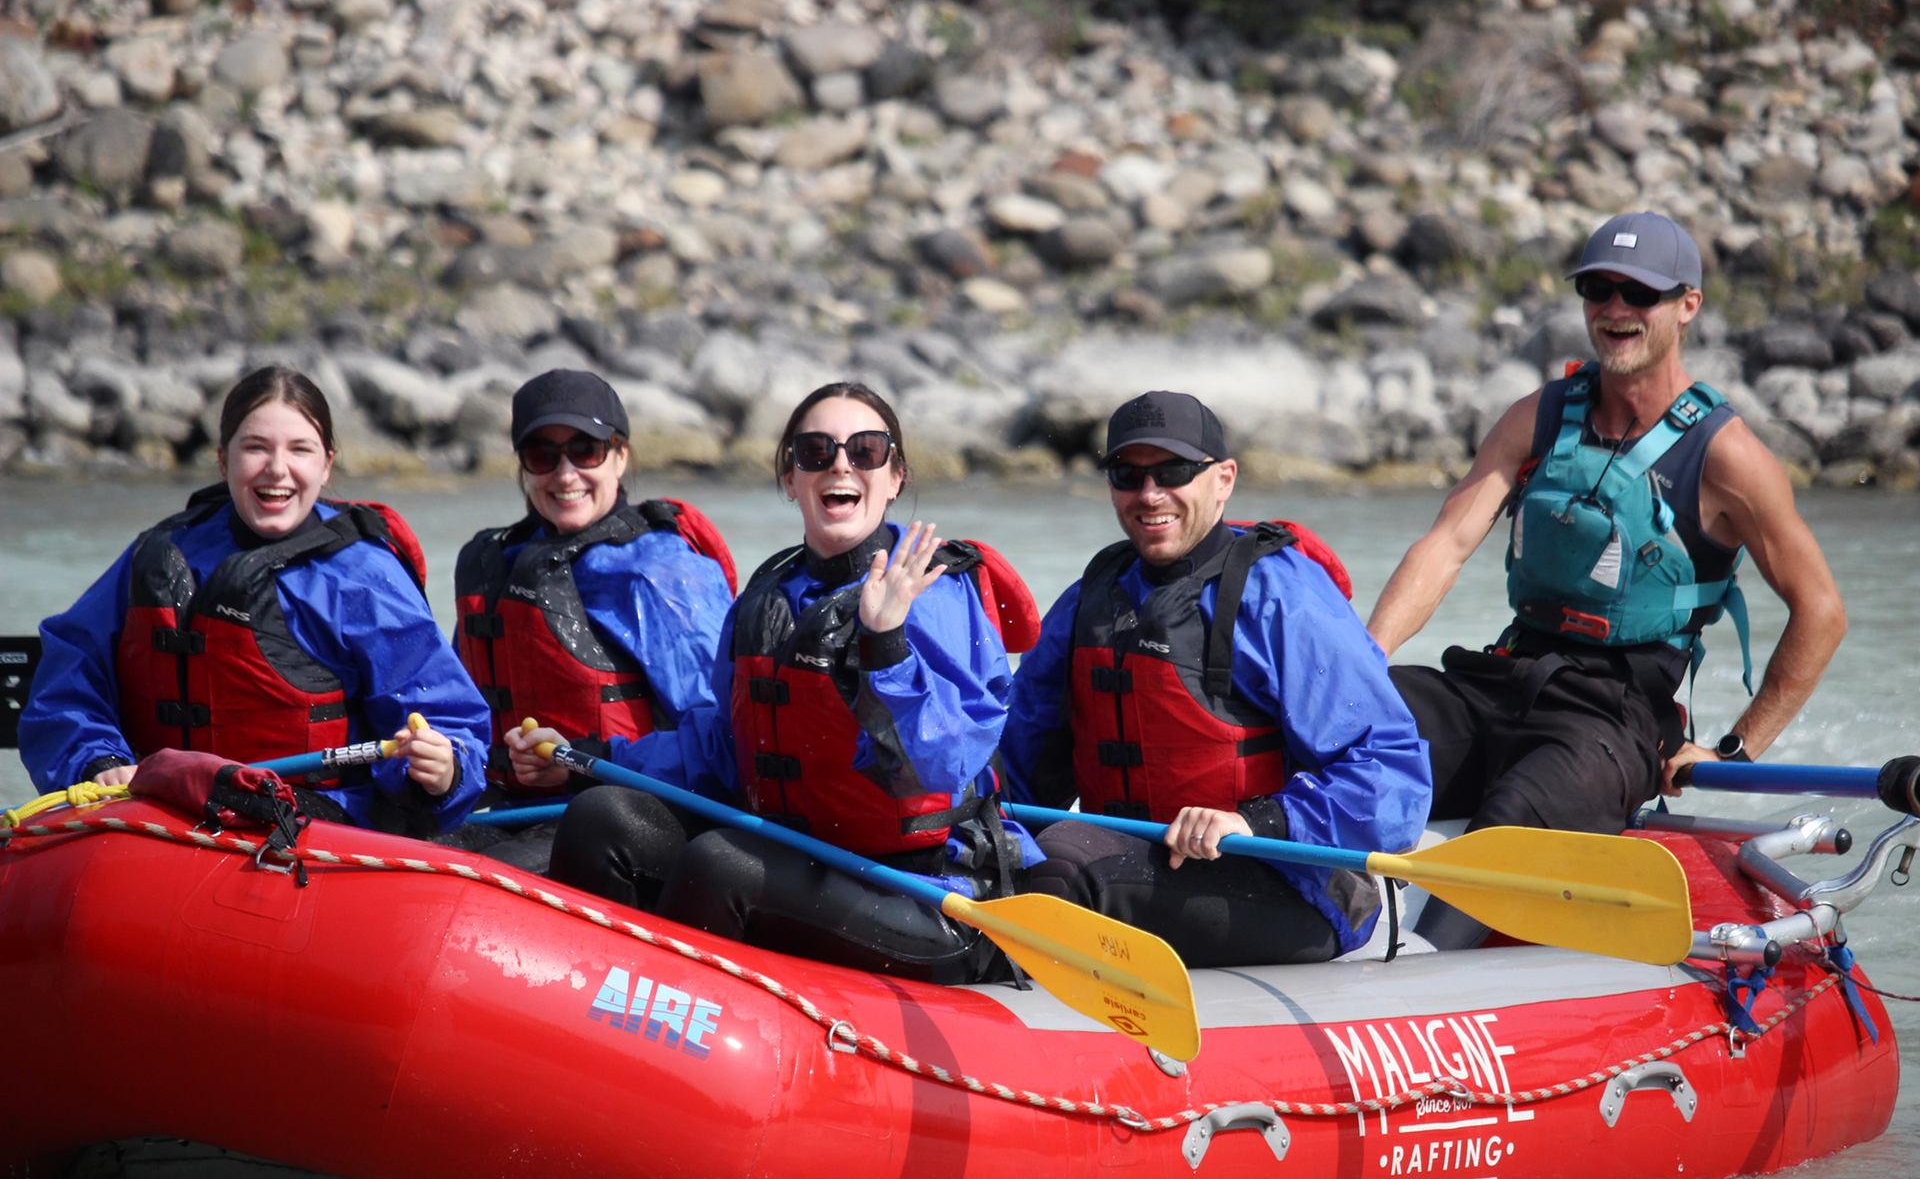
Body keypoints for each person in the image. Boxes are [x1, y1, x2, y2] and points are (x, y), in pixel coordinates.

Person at [1366, 211, 1848, 948]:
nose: (1616, 309)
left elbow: (1820, 612)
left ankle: (1413, 986)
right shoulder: (1540, 415)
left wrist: (1733, 751)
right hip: (1505, 674)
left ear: (1687, 304)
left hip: (1616, 718)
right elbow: (1447, 543)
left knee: (1514, 818)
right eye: (1599, 289)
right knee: (1353, 724)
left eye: (1639, 293)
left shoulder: (1727, 455)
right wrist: (1363, 661)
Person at [518, 381, 1039, 983]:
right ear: (791, 479)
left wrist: (885, 641)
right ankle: (583, 1006)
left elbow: (945, 762)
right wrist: (589, 758)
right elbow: (720, 748)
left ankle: (677, 1033)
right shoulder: (768, 599)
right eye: (815, 451)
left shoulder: (935, 593)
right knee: (603, 817)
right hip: (803, 863)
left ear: (895, 477)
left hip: (927, 894)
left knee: (721, 864)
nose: (840, 464)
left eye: (865, 450)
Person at [998, 391, 1431, 967]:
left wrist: (1253, 821)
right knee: (1009, 860)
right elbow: (1018, 770)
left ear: (1223, 479)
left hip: (1288, 887)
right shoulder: (1090, 601)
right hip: (1135, 865)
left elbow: (1396, 777)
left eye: (1173, 472)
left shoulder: (1285, 598)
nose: (1149, 495)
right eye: (1127, 474)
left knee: (1063, 863)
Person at [19, 364, 490, 834]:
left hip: (315, 821)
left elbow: (448, 719)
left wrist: (443, 767)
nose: (277, 469)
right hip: (165, 813)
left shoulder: (364, 577)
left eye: (299, 450)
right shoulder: (159, 555)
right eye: (256, 448)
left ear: (326, 464)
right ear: (224, 461)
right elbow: (68, 677)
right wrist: (99, 758)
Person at [444, 369, 736, 867]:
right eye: (542, 455)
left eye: (586, 451)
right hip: (507, 811)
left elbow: (724, 741)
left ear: (620, 456)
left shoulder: (660, 573)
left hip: (626, 818)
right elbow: (460, 712)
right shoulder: (492, 562)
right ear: (523, 467)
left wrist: (582, 763)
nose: (564, 474)